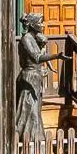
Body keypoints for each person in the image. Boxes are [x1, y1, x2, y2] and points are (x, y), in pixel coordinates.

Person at [14, 12, 51, 143]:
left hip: (36, 78)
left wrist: (42, 45)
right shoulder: (26, 39)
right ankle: (25, 146)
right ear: (32, 24)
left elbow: (40, 55)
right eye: (40, 22)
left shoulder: (35, 38)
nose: (43, 25)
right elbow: (36, 58)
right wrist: (57, 56)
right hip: (28, 79)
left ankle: (37, 150)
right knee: (29, 113)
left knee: (36, 113)